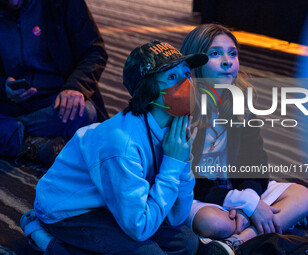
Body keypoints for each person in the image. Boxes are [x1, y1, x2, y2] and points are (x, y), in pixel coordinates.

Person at [19, 40, 209, 254]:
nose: (186, 84)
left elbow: (176, 216)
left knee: (187, 243)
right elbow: (140, 227)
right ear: (148, 90)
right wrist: (173, 164)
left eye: (186, 74)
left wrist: (181, 160)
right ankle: (45, 238)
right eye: (172, 77)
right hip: (70, 210)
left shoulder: (174, 131)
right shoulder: (122, 144)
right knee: (149, 253)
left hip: (114, 203)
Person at [180, 24, 308, 254]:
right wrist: (248, 205)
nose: (227, 60)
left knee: (304, 196)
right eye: (215, 54)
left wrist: (249, 199)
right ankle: (279, 218)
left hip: (237, 191)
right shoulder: (183, 111)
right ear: (194, 63)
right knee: (217, 223)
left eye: (232, 53)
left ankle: (236, 241)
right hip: (197, 194)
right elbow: (188, 181)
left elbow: (256, 163)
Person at [0, 0, 108, 167]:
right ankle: (35, 146)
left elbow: (95, 52)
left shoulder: (61, 4)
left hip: (55, 101)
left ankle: (15, 137)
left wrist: (75, 87)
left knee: (83, 112)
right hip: (10, 105)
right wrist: (3, 86)